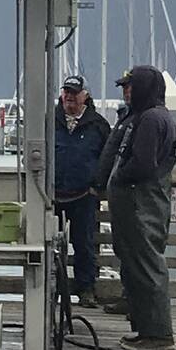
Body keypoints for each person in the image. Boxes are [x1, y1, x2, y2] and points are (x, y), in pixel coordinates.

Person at [103, 65, 176, 350]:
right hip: (139, 204)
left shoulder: (149, 119)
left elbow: (143, 164)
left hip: (140, 205)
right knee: (138, 265)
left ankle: (158, 335)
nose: (127, 91)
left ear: (145, 87)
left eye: (131, 86)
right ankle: (146, 328)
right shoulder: (156, 117)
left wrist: (119, 176)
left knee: (147, 266)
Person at [52, 74, 111, 305]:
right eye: (66, 91)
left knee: (84, 244)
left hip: (84, 195)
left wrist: (98, 185)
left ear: (85, 96)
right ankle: (53, 289)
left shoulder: (98, 125)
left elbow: (108, 158)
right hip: (52, 195)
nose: (69, 97)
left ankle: (86, 290)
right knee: (50, 246)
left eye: (74, 93)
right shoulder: (49, 120)